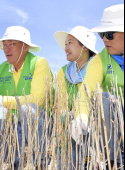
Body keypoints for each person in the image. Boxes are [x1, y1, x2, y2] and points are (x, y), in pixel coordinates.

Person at [0, 26, 52, 168]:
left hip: (40, 127)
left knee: (28, 110)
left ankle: (41, 162)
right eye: (4, 45)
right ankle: (15, 161)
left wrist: (2, 100)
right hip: (13, 127)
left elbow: (38, 100)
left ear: (25, 46)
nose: (6, 49)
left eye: (12, 44)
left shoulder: (39, 63)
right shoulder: (1, 69)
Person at [74, 4, 124, 169]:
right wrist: (81, 116)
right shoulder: (99, 60)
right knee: (105, 98)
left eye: (109, 34)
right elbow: (86, 91)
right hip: (117, 120)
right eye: (102, 34)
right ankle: (115, 161)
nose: (104, 39)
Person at [55, 26, 98, 169]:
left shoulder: (98, 67)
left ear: (85, 47)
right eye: (65, 44)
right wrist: (66, 117)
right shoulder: (63, 72)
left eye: (70, 43)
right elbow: (60, 104)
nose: (66, 47)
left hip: (94, 126)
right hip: (70, 126)